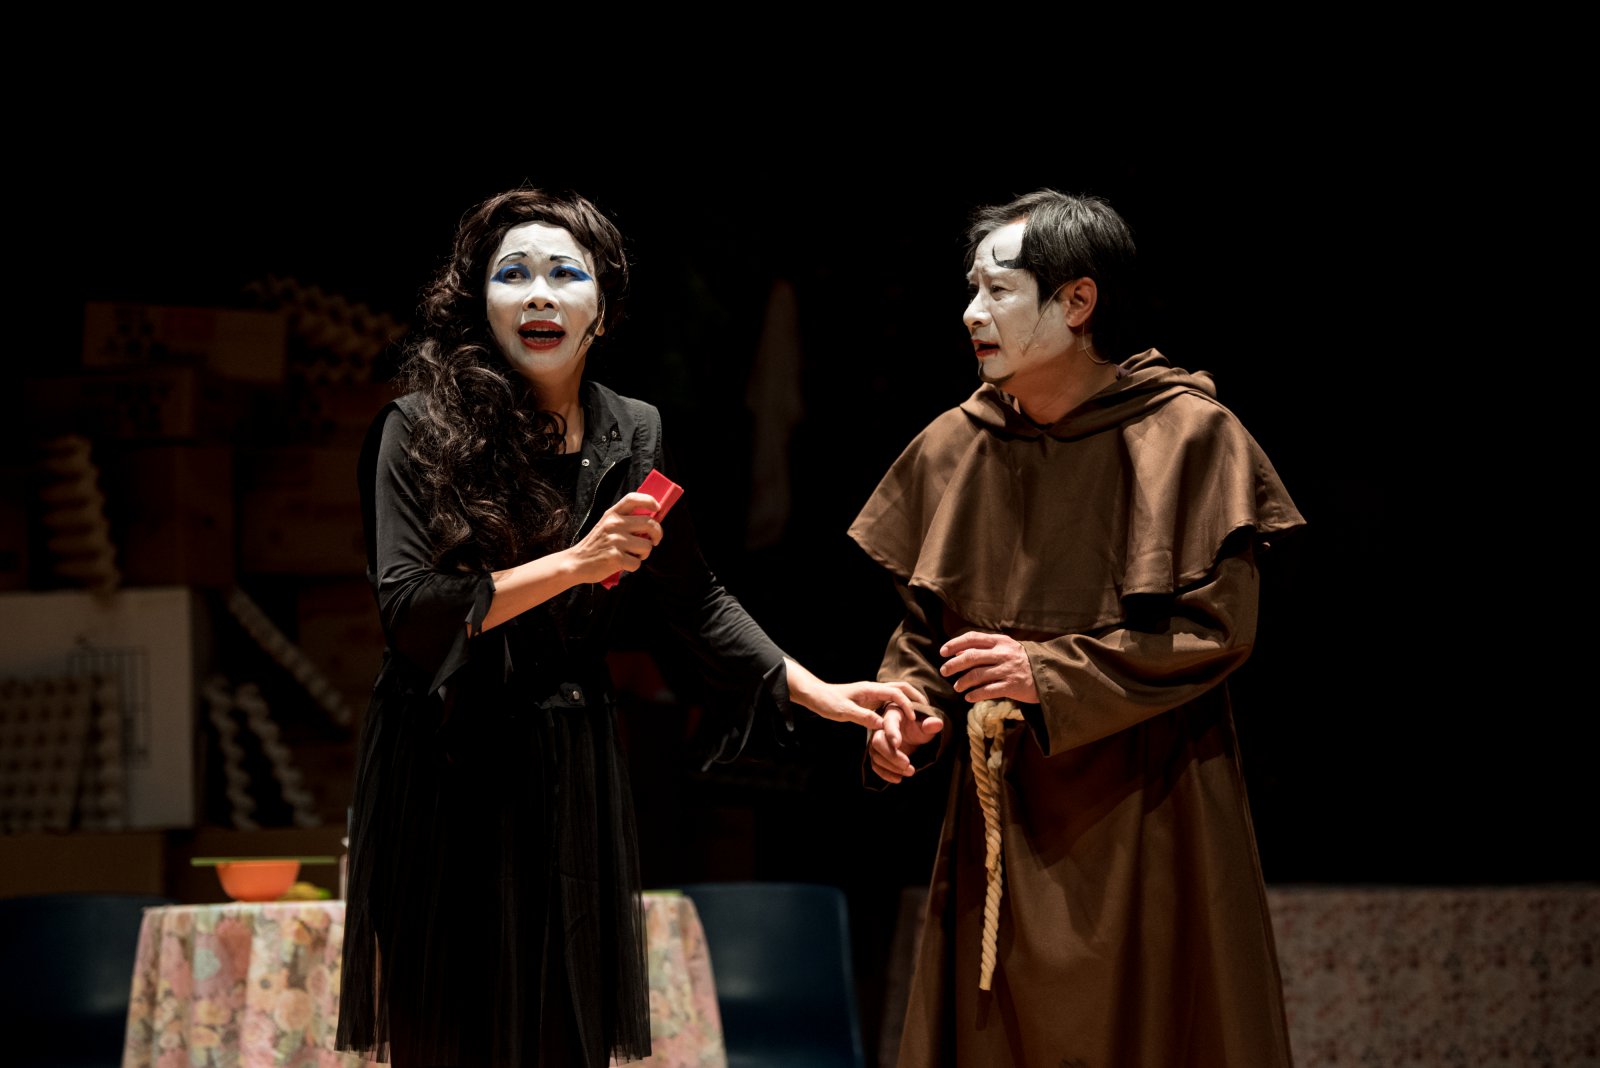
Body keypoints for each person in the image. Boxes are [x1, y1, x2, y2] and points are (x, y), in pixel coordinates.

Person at [334, 187, 921, 1068]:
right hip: (445, 761)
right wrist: (576, 563)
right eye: (512, 274)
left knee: (563, 1032)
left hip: (569, 758)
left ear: (601, 307)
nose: (539, 294)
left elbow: (695, 598)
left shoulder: (632, 430)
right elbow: (412, 612)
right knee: (453, 1034)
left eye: (564, 274)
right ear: (479, 302)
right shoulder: (416, 430)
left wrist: (822, 694)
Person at [854, 189, 1306, 1066]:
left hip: (1153, 805)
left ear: (1077, 301)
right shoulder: (956, 443)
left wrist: (1047, 674)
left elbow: (1218, 627)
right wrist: (905, 709)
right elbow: (923, 634)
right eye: (971, 289)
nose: (971, 313)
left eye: (997, 290)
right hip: (1005, 810)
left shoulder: (1188, 435)